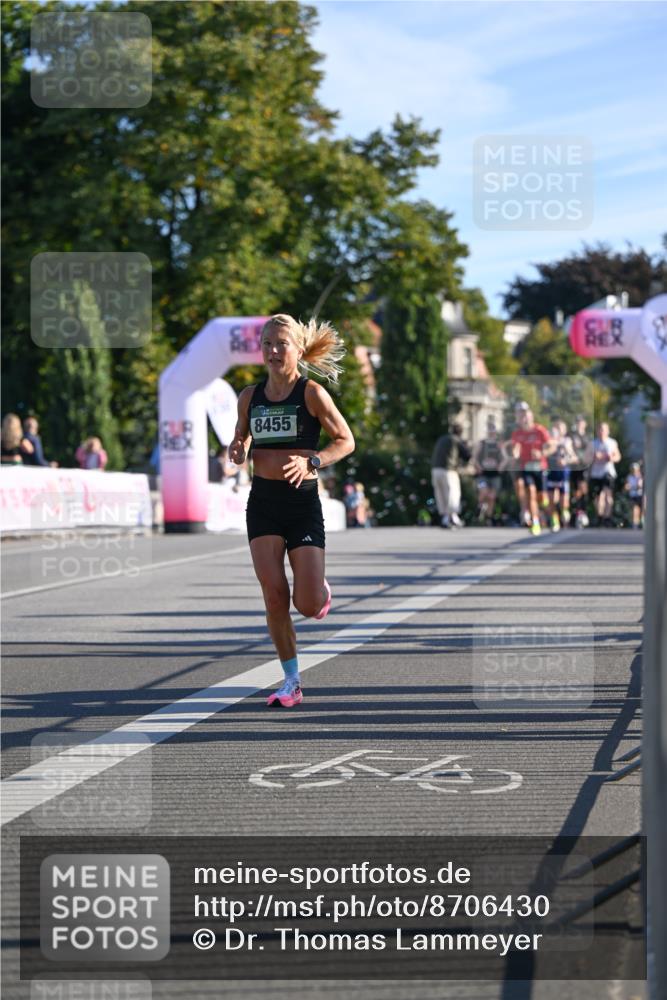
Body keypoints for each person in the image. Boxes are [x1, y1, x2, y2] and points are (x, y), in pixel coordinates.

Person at [228, 313, 355, 708]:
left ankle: (319, 592)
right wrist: (238, 448)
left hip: (302, 503)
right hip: (263, 502)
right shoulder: (250, 396)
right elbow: (240, 437)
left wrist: (312, 462)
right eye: (267, 343)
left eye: (281, 343)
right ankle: (291, 680)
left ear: (298, 350)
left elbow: (345, 440)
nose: (273, 350)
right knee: (273, 594)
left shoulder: (312, 394)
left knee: (307, 604)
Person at [507, 402, 553, 536]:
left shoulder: (540, 430)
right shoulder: (517, 433)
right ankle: (536, 522)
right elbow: (516, 449)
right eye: (521, 416)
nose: (524, 418)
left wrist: (542, 454)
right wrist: (514, 454)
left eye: (526, 415)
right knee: (531, 493)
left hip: (540, 468)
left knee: (543, 499)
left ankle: (548, 515)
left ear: (531, 417)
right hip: (526, 468)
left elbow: (551, 446)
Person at [431, 422, 471, 528]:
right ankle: (450, 517)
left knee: (441, 494)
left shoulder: (441, 439)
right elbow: (467, 455)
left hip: (435, 469)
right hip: (448, 470)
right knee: (453, 494)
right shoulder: (456, 440)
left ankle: (447, 517)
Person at [545, 419, 577, 531]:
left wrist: (565, 461)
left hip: (563, 473)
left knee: (564, 500)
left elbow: (574, 458)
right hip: (551, 472)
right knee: (551, 499)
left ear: (564, 430)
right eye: (556, 427)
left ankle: (564, 514)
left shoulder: (566, 442)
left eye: (561, 428)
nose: (558, 430)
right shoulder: (549, 441)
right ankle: (555, 521)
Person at [472, 417, 504, 525]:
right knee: (483, 491)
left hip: (495, 475)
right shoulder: (482, 443)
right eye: (490, 431)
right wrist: (478, 466)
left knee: (492, 497)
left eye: (493, 431)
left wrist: (501, 466)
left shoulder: (498, 444)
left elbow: (505, 458)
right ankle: (479, 507)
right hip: (483, 474)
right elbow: (474, 457)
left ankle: (488, 517)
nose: (491, 433)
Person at [589, 422, 621, 526]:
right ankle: (600, 516)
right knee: (598, 497)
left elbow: (618, 457)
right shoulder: (593, 443)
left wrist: (611, 458)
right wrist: (595, 457)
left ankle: (607, 518)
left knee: (607, 495)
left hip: (608, 472)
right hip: (596, 473)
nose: (602, 432)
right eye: (600, 429)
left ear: (608, 431)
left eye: (604, 429)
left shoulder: (612, 443)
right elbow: (586, 458)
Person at [570, 416, 594, 529]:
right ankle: (577, 512)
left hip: (584, 467)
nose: (580, 424)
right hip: (574, 466)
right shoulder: (572, 436)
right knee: (576, 491)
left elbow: (590, 451)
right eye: (578, 422)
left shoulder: (588, 437)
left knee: (583, 488)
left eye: (581, 422)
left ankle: (582, 512)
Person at [624, 462, 644, 529]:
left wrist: (633, 486)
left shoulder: (641, 477)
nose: (634, 471)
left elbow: (640, 486)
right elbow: (626, 487)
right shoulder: (629, 477)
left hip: (640, 495)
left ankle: (642, 522)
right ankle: (635, 524)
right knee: (635, 509)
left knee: (642, 509)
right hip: (633, 496)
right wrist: (632, 487)